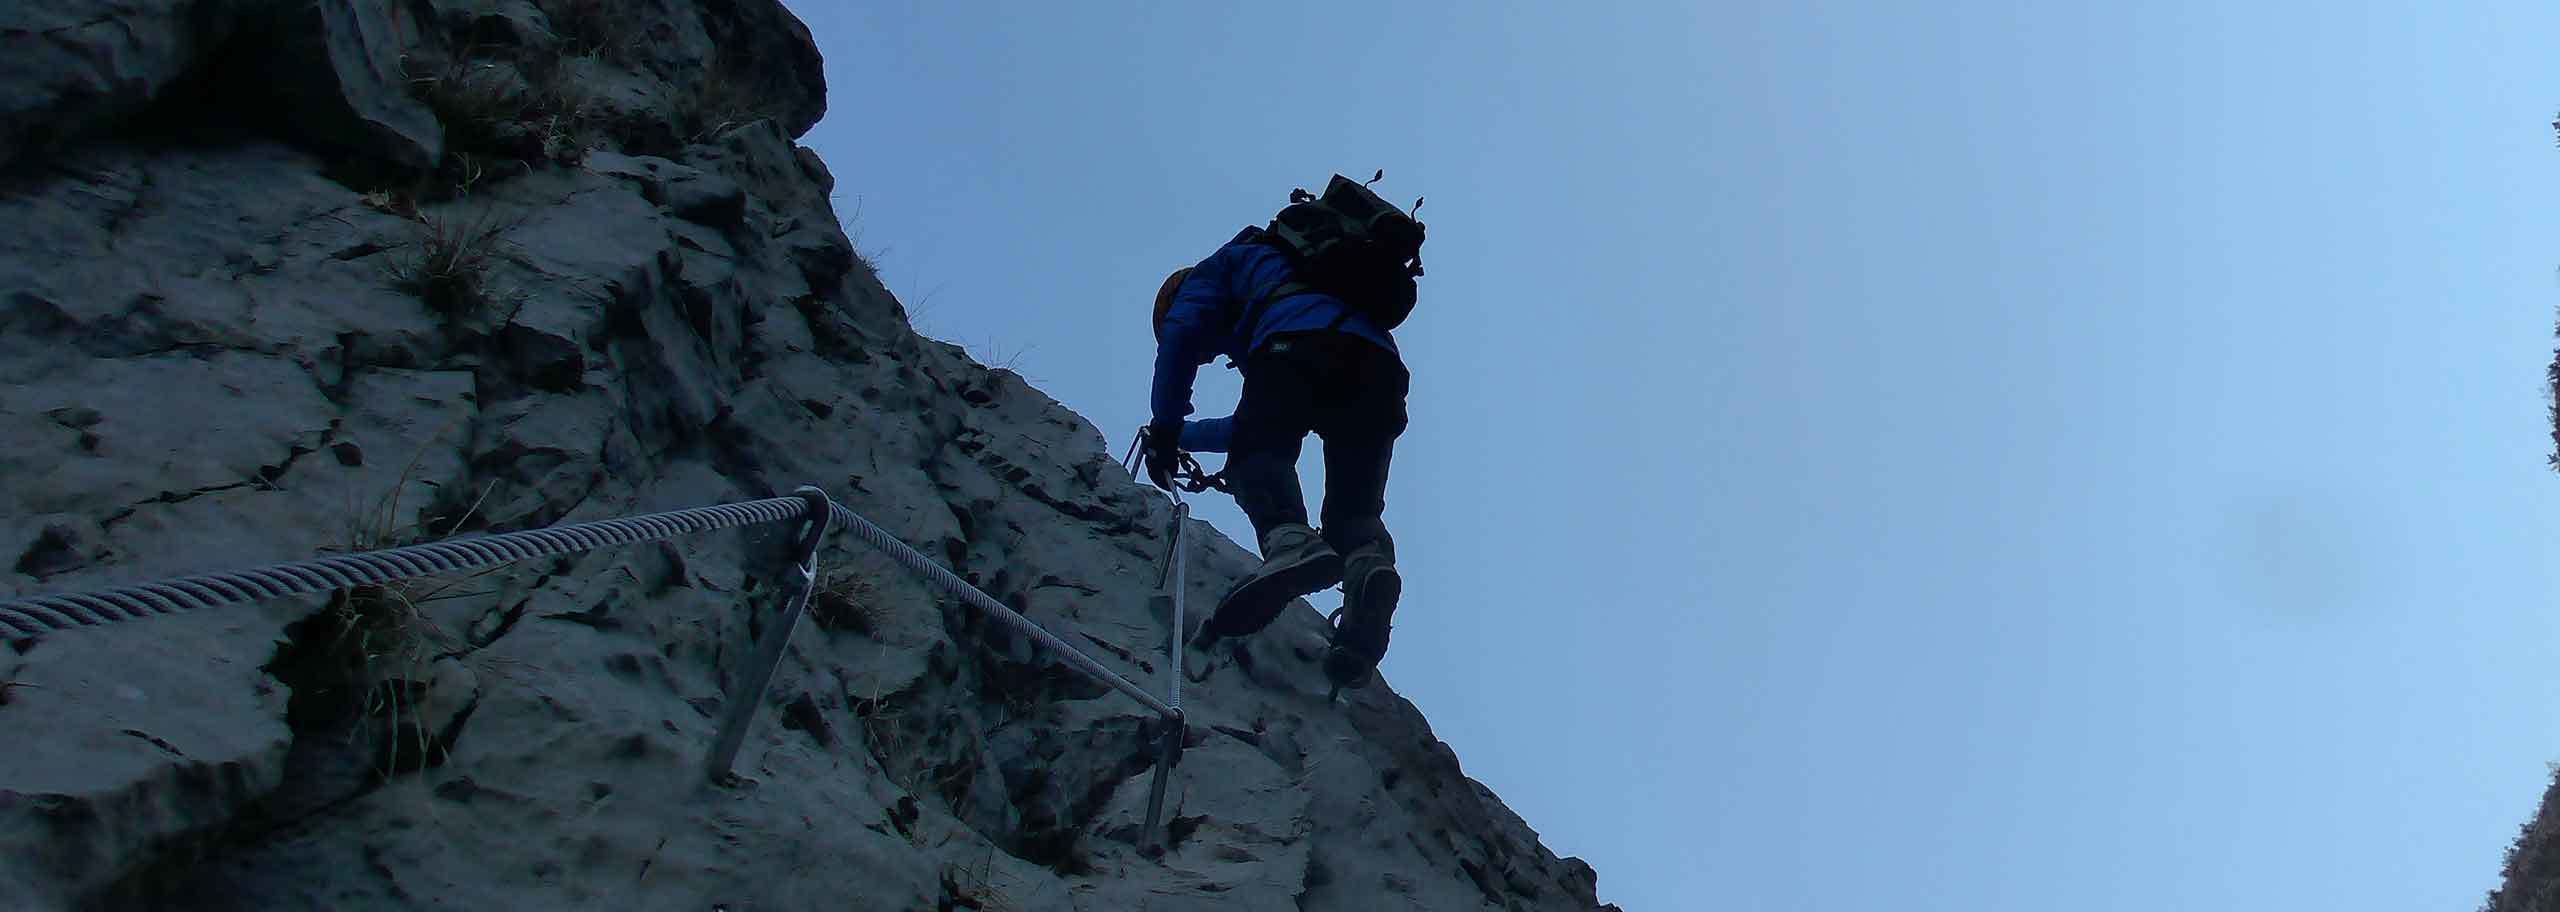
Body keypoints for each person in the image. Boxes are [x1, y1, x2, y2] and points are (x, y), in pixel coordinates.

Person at [1142, 185, 1420, 690]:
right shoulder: (1299, 273)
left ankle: (1290, 542)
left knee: (1256, 462)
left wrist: (1163, 427)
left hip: (1299, 346)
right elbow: (1245, 428)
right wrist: (1181, 437)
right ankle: (1367, 576)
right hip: (1379, 367)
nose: (1209, 356)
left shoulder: (1224, 267)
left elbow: (1182, 338)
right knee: (1354, 514)